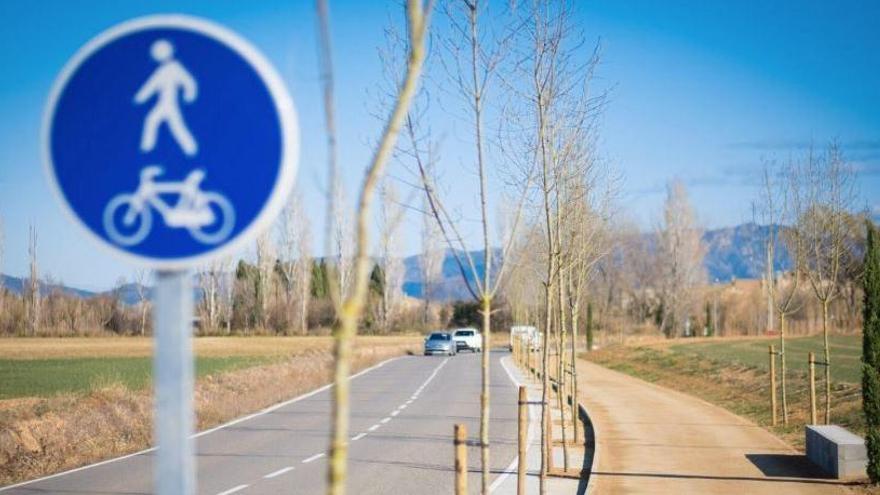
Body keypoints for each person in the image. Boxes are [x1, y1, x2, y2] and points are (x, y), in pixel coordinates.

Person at [134, 39, 199, 156]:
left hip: (170, 104)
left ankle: (191, 149)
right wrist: (141, 97)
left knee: (176, 126)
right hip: (163, 103)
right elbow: (152, 85)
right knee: (152, 120)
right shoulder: (162, 69)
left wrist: (189, 95)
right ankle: (146, 149)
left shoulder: (175, 67)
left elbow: (189, 82)